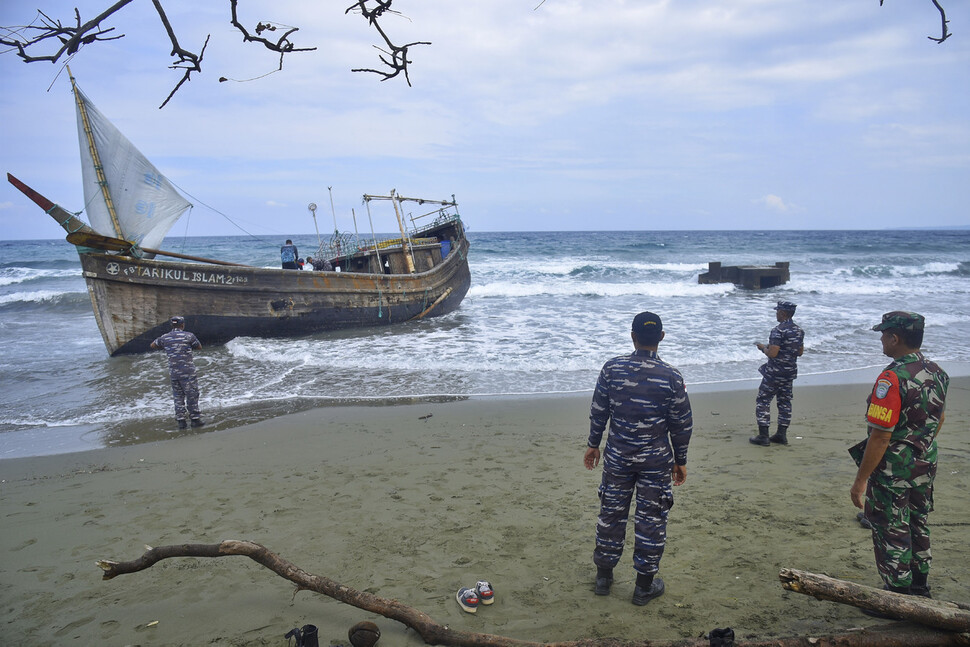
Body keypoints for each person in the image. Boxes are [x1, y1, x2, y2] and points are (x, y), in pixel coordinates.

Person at [584, 311, 693, 606]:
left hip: (618, 456)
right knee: (651, 519)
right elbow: (682, 423)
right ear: (661, 337)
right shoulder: (672, 377)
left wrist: (594, 444)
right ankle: (643, 586)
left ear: (632, 336)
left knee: (611, 514)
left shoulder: (612, 369)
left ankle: (604, 578)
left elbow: (599, 410)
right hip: (655, 462)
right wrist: (680, 460)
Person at [850, 311, 948, 606]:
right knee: (918, 521)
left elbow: (880, 435)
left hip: (894, 468)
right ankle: (920, 585)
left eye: (883, 334)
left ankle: (898, 597)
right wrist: (919, 444)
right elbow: (939, 418)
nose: (881, 339)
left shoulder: (891, 378)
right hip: (925, 461)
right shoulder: (937, 372)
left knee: (891, 526)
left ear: (895, 338)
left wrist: (860, 480)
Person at [750, 300, 804, 446]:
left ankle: (763, 436)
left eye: (777, 311)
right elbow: (799, 352)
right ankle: (781, 434)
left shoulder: (778, 330)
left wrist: (762, 348)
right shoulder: (799, 331)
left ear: (783, 313)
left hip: (774, 373)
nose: (776, 314)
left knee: (763, 400)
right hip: (789, 373)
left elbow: (773, 353)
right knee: (785, 402)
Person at [150, 316, 205, 430]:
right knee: (192, 394)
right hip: (187, 371)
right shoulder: (189, 336)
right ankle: (195, 419)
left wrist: (168, 347)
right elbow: (199, 347)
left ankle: (181, 422)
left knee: (178, 396)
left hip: (174, 372)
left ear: (172, 325)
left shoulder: (165, 337)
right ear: (182, 325)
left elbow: (153, 345)